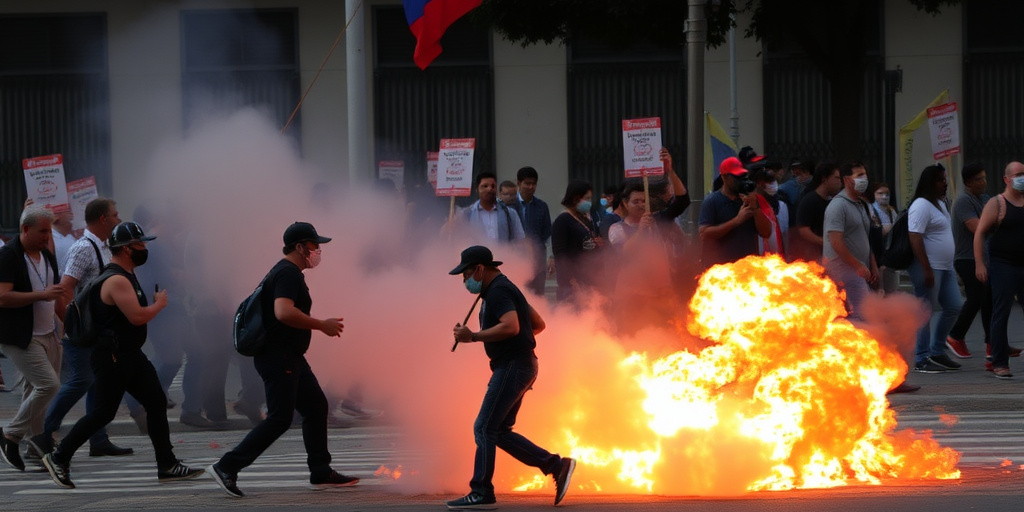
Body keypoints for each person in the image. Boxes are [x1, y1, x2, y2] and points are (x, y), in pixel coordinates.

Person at [41, 221, 204, 488]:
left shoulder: (125, 275)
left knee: (154, 403)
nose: (144, 249)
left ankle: (167, 463)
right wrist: (160, 305)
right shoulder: (116, 279)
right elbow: (137, 317)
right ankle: (59, 457)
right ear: (127, 249)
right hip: (113, 357)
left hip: (129, 355)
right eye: (141, 244)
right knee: (102, 414)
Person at [208, 222, 358, 498]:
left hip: (289, 356)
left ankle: (321, 471)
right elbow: (283, 312)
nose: (318, 251)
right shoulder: (288, 274)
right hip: (279, 357)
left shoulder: (284, 272)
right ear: (300, 247)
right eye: (314, 245)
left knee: (315, 407)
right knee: (279, 418)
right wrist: (320, 324)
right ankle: (227, 466)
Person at [447, 245, 575, 510]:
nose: (465, 281)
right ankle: (555, 465)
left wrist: (474, 336)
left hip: (513, 366)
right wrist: (518, 342)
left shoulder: (498, 292)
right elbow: (536, 324)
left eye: (466, 274)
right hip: (521, 364)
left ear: (480, 269)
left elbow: (512, 326)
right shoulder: (504, 288)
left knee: (483, 427)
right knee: (499, 431)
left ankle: (481, 491)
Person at [33, 198, 132, 457]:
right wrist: (73, 323)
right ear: (103, 219)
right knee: (82, 379)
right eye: (115, 214)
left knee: (97, 383)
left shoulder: (103, 246)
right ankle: (44, 434)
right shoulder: (84, 248)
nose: (118, 219)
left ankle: (98, 440)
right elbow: (65, 288)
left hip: (98, 330)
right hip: (82, 329)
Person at [0, 205, 64, 472]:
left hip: (49, 333)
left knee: (35, 391)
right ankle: (10, 436)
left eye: (49, 231)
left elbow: (56, 292)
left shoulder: (46, 254)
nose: (47, 236)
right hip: (20, 337)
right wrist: (41, 295)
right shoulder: (9, 256)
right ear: (25, 229)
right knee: (49, 385)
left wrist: (69, 324)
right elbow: (3, 296)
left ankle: (36, 446)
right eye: (43, 231)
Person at [906, 165, 963, 374]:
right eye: (941, 180)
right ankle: (921, 358)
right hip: (928, 267)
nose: (945, 183)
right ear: (931, 183)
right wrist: (926, 268)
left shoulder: (939, 203)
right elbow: (915, 236)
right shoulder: (921, 205)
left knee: (955, 306)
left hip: (945, 267)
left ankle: (937, 350)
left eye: (945, 179)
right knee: (924, 312)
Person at [975, 161, 1024, 379]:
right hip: (1003, 265)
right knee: (1001, 312)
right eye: (1018, 174)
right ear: (1006, 179)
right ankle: (999, 362)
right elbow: (979, 234)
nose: (1022, 178)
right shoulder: (997, 203)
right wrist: (979, 264)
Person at [822, 162, 878, 321]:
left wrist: (871, 265)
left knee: (861, 313)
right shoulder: (838, 206)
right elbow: (836, 243)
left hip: (859, 268)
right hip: (843, 268)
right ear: (847, 179)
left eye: (865, 175)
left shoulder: (861, 204)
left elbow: (864, 237)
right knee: (862, 314)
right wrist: (858, 265)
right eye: (859, 175)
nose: (864, 179)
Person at [946, 163, 990, 360]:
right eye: (979, 179)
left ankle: (993, 343)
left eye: (984, 177)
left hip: (984, 257)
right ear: (968, 182)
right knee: (977, 297)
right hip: (967, 258)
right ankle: (955, 335)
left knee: (987, 299)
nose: (984, 182)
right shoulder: (964, 201)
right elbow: (977, 228)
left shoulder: (985, 199)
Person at [698, 157, 771, 268]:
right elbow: (704, 233)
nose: (740, 180)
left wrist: (755, 207)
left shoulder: (749, 200)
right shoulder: (712, 201)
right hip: (721, 269)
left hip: (748, 268)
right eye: (736, 177)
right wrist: (736, 221)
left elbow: (766, 233)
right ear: (724, 177)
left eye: (743, 177)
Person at [551, 179, 604, 303]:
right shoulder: (563, 220)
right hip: (572, 284)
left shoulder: (586, 219)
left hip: (589, 278)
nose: (590, 202)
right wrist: (572, 281)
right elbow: (560, 254)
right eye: (587, 198)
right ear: (576, 199)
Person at [516, 167, 553, 297]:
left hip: (537, 261)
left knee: (537, 296)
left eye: (533, 184)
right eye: (527, 183)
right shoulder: (509, 206)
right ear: (518, 183)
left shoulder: (541, 206)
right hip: (516, 260)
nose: (531, 187)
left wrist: (550, 257)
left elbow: (547, 235)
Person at [794, 162, 842, 263]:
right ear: (824, 179)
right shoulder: (809, 200)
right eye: (837, 178)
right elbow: (804, 231)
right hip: (814, 259)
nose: (840, 182)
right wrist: (826, 242)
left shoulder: (833, 201)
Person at [459, 172, 526, 244]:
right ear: (477, 189)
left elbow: (520, 240)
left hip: (504, 254)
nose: (489, 189)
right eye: (485, 186)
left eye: (493, 186)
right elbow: (460, 241)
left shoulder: (510, 213)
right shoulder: (466, 214)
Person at [868, 182, 901, 294]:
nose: (884, 197)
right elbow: (872, 232)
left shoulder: (891, 210)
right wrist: (888, 228)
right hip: (877, 255)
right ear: (874, 194)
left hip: (891, 255)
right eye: (880, 193)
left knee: (892, 289)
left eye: (886, 194)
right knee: (879, 290)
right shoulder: (870, 209)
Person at [753, 168, 788, 258]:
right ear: (760, 183)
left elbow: (784, 233)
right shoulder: (752, 203)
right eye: (770, 181)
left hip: (776, 255)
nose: (773, 184)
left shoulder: (780, 203)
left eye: (774, 181)